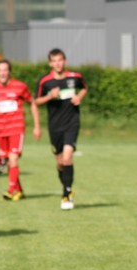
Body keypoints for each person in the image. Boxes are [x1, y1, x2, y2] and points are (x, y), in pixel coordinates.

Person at [34, 48, 88, 210]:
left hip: (72, 122)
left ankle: (67, 193)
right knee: (59, 162)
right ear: (50, 63)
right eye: (54, 61)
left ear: (65, 61)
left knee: (67, 157)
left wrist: (79, 97)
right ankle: (66, 186)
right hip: (55, 126)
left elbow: (84, 88)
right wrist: (50, 96)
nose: (57, 64)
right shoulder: (45, 81)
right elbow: (36, 101)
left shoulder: (75, 77)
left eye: (60, 60)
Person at [0, 59, 41, 201]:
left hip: (16, 129)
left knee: (13, 159)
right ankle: (20, 190)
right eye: (0, 70)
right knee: (7, 161)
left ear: (9, 72)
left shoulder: (20, 86)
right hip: (0, 129)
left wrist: (37, 126)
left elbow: (32, 103)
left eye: (5, 70)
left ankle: (10, 191)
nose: (2, 73)